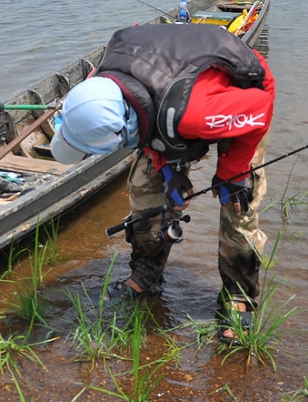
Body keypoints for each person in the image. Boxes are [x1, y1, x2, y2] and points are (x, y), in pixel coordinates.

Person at [49, 23, 275, 343]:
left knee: (238, 200)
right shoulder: (100, 83)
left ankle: (239, 295)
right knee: (144, 187)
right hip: (176, 87)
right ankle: (146, 274)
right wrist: (168, 169)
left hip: (242, 93)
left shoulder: (196, 113)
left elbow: (260, 108)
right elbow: (144, 119)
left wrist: (232, 170)